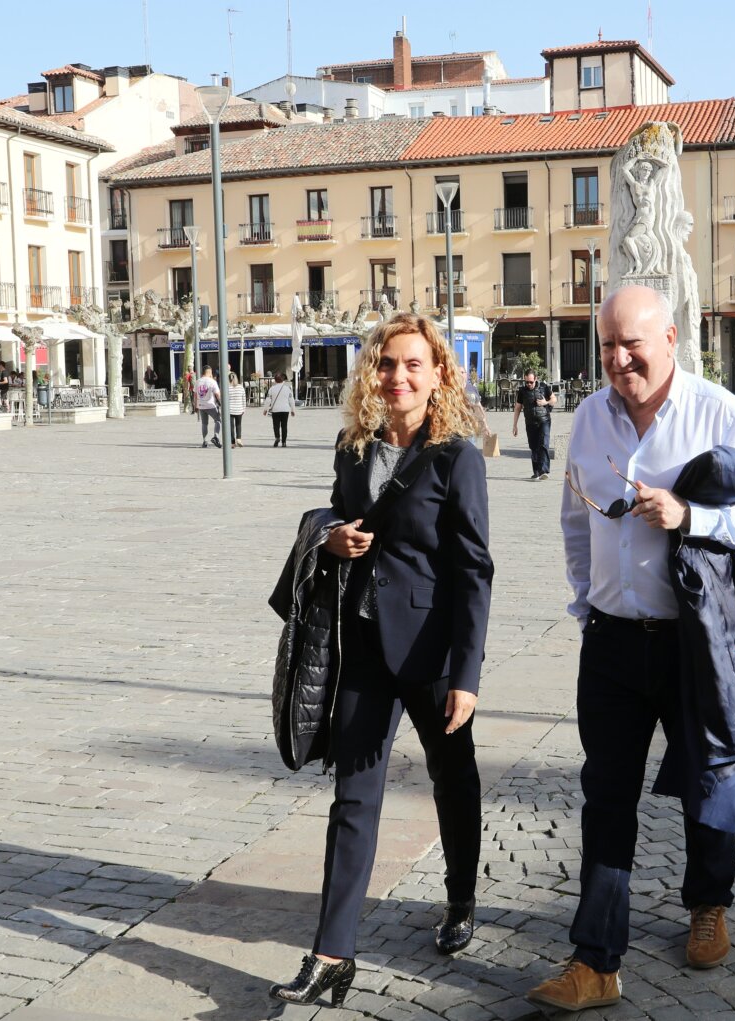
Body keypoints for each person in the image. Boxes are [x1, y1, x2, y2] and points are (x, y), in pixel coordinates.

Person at [528, 286, 735, 1011]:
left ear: (671, 339)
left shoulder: (720, 413)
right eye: (607, 345)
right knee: (605, 796)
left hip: (694, 642)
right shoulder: (590, 417)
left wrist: (691, 515)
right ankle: (596, 961)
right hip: (611, 641)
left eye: (632, 344)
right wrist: (585, 605)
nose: (618, 359)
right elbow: (575, 521)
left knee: (709, 778)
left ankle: (709, 903)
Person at [270, 313, 493, 1008]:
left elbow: (474, 570)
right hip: (363, 647)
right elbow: (341, 518)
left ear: (438, 374)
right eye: (388, 363)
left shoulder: (457, 457)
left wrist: (466, 676)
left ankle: (460, 897)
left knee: (453, 778)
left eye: (413, 364)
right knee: (353, 798)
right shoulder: (353, 446)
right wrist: (333, 537)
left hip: (431, 651)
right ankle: (332, 954)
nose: (399, 376)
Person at [511, 370, 557, 480]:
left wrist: (545, 402)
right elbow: (518, 408)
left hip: (544, 420)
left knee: (544, 444)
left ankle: (544, 471)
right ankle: (536, 472)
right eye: (526, 382)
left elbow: (554, 399)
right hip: (530, 422)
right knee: (534, 447)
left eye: (531, 382)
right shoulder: (522, 391)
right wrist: (515, 425)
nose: (529, 384)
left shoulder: (544, 387)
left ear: (536, 379)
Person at [263, 370, 295, 448]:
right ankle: (284, 442)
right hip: (285, 410)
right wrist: (293, 410)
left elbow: (268, 400)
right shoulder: (287, 388)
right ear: (283, 380)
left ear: (275, 380)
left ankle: (277, 437)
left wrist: (265, 409)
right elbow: (291, 400)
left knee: (276, 425)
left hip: (275, 410)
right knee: (284, 426)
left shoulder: (272, 389)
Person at [194, 366, 222, 448]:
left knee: (204, 423)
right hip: (211, 405)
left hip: (201, 405)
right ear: (209, 372)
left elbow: (195, 395)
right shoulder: (212, 381)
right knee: (218, 420)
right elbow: (218, 395)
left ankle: (205, 441)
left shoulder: (197, 381)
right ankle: (216, 436)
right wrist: (222, 403)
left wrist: (196, 406)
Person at [227, 371, 246, 448]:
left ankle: (232, 442)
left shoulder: (227, 388)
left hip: (230, 410)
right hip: (239, 409)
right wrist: (243, 408)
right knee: (238, 424)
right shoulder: (240, 387)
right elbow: (244, 399)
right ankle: (239, 438)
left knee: (231, 426)